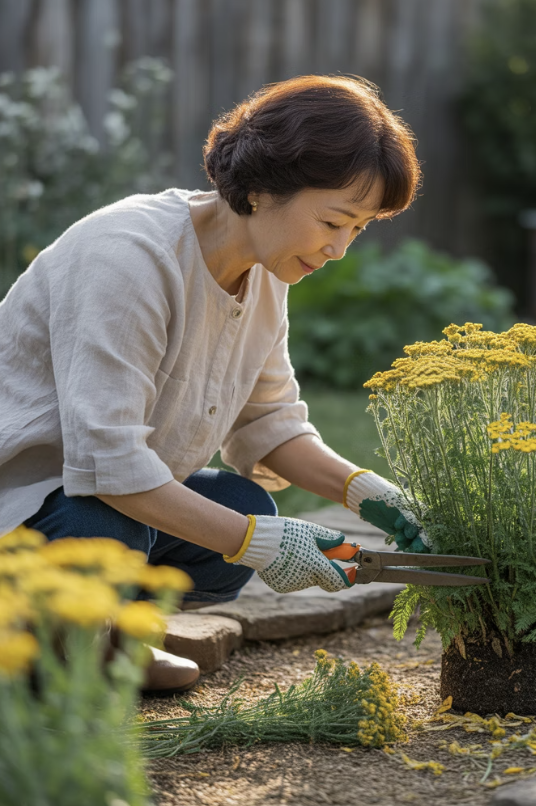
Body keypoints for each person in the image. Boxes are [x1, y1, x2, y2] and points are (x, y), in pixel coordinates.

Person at [0, 74, 426, 692]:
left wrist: (370, 494)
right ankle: (49, 656)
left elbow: (269, 423)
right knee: (118, 525)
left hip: (90, 500)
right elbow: (110, 464)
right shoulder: (128, 257)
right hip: (27, 506)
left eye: (357, 229)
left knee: (243, 506)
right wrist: (263, 545)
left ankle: (113, 635)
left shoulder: (265, 272)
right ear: (261, 189)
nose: (339, 249)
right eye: (334, 221)